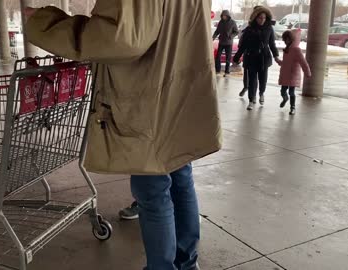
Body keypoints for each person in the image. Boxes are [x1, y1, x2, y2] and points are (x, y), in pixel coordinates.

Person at [24, 1, 222, 269]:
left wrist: (44, 22)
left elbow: (119, 38)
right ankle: (185, 263)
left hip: (147, 97)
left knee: (152, 192)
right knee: (180, 177)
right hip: (179, 90)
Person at [233, 6, 281, 111]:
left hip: (264, 58)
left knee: (263, 80)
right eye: (260, 18)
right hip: (251, 58)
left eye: (264, 18)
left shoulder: (269, 29)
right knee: (252, 81)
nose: (262, 20)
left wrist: (276, 57)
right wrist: (236, 57)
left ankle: (261, 93)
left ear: (266, 18)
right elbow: (243, 45)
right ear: (255, 18)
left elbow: (272, 44)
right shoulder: (249, 29)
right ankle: (251, 100)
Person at [278, 30, 311, 115]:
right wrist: (279, 61)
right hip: (285, 74)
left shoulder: (296, 50)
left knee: (291, 92)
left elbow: (303, 62)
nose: (286, 41)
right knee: (282, 91)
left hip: (293, 74)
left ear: (291, 39)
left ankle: (292, 108)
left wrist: (307, 72)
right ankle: (285, 98)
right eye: (284, 39)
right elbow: (285, 62)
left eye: (287, 39)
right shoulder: (286, 49)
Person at [213, 10, 239, 75]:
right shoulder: (220, 22)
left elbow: (236, 31)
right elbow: (217, 31)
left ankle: (227, 71)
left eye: (225, 16)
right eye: (222, 16)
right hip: (221, 42)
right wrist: (213, 37)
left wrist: (231, 36)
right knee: (218, 57)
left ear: (227, 16)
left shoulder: (232, 22)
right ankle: (217, 70)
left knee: (228, 58)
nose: (223, 17)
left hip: (229, 43)